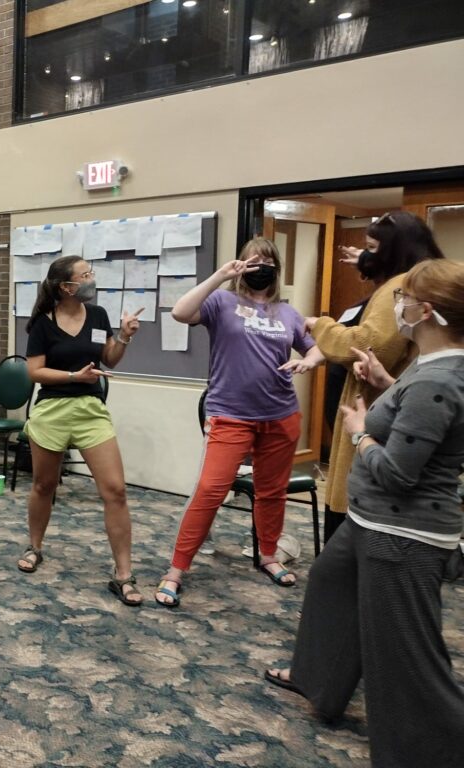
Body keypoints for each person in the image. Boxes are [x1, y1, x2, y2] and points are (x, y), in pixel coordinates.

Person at [265, 259, 464, 767]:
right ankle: (320, 681)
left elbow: (398, 471)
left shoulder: (437, 379)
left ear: (428, 311)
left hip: (403, 532)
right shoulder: (425, 368)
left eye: (404, 298)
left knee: (404, 655)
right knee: (331, 584)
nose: (395, 305)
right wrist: (381, 381)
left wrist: (358, 432)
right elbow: (413, 418)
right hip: (372, 520)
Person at [155, 238, 326, 608]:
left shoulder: (288, 313)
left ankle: (268, 555)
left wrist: (310, 361)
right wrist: (220, 275)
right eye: (253, 261)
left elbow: (315, 347)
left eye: (267, 261)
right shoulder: (222, 302)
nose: (260, 266)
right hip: (230, 413)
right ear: (242, 265)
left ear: (276, 269)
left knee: (271, 491)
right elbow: (181, 313)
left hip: (280, 414)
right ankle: (176, 569)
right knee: (211, 491)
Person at [305, 211, 444, 541]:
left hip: (377, 416)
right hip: (392, 401)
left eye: (372, 248)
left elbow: (368, 344)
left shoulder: (402, 285)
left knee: (353, 536)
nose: (367, 255)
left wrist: (321, 325)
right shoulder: (420, 280)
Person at [16, 255, 145, 607]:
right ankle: (35, 546)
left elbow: (110, 357)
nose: (92, 279)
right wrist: (74, 376)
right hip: (53, 409)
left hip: (90, 410)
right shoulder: (43, 323)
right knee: (44, 485)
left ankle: (123, 574)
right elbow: (35, 372)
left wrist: (125, 337)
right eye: (85, 275)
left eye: (91, 273)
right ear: (65, 286)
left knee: (115, 490)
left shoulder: (99, 316)